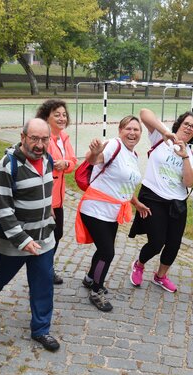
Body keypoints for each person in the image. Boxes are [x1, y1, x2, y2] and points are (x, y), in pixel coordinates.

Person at [0, 118, 60, 352]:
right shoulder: (7, 165)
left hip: (43, 238)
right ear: (23, 137)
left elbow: (44, 190)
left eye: (44, 139)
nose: (39, 145)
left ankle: (41, 329)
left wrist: (48, 212)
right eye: (34, 139)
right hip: (15, 242)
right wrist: (22, 240)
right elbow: (3, 208)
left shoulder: (48, 159)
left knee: (43, 284)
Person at [76, 116, 151, 311]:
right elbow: (94, 159)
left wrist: (136, 203)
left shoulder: (133, 155)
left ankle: (90, 278)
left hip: (112, 211)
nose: (132, 133)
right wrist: (94, 152)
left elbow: (125, 185)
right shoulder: (113, 145)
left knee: (103, 249)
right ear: (120, 130)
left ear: (140, 134)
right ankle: (96, 291)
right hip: (95, 208)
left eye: (136, 129)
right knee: (107, 252)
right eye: (128, 128)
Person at [128, 109, 193, 293]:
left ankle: (160, 276)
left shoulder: (192, 156)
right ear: (179, 124)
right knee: (156, 242)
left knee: (173, 244)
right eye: (186, 124)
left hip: (177, 203)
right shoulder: (161, 137)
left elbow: (189, 182)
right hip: (153, 197)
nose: (188, 128)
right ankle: (139, 264)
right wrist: (165, 132)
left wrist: (185, 156)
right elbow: (144, 113)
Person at [35, 99, 78, 285]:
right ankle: (41, 271)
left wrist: (65, 163)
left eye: (64, 115)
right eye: (57, 115)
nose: (62, 118)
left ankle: (46, 268)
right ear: (47, 117)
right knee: (44, 237)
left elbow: (73, 162)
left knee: (57, 234)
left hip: (59, 198)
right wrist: (56, 164)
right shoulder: (42, 139)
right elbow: (39, 166)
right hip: (46, 197)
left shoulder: (64, 138)